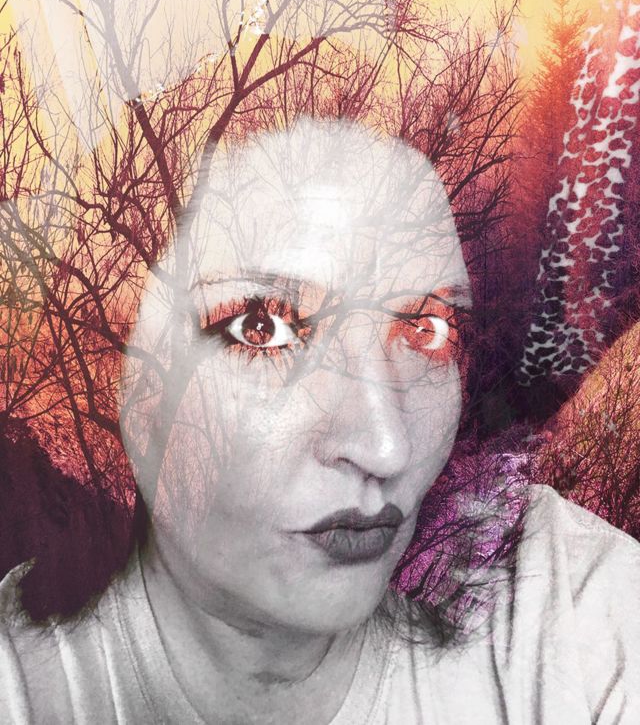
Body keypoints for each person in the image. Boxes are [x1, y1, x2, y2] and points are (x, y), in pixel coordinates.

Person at [1, 118, 640, 724]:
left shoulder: (561, 608)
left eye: (428, 331)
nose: (387, 447)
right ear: (133, 386)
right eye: (263, 329)